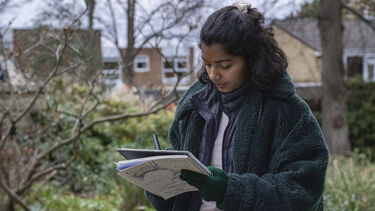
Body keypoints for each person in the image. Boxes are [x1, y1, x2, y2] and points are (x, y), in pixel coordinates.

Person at [146, 3, 329, 211]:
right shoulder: (194, 106)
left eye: (225, 65)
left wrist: (229, 190)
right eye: (207, 64)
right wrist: (158, 185)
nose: (213, 74)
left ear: (252, 59)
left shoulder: (288, 111)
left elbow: (303, 190)